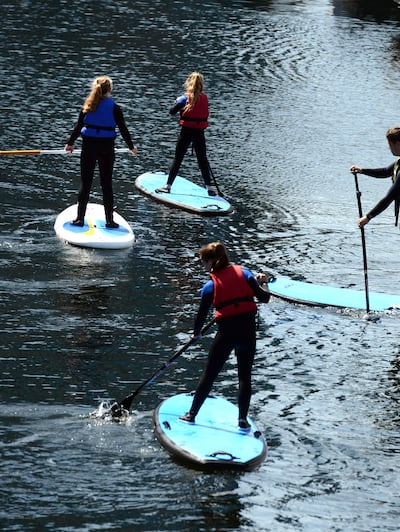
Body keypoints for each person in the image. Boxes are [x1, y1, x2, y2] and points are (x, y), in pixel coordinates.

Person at [179, 241, 270, 430]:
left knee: (210, 375)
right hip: (247, 332)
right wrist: (264, 282)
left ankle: (191, 414)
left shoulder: (209, 287)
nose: (203, 266)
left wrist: (196, 334)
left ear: (212, 262)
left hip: (226, 334)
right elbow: (265, 298)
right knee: (244, 377)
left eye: (204, 262)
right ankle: (242, 420)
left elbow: (201, 317)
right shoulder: (245, 274)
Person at [350, 126, 400, 311]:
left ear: (396, 143)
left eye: (389, 144)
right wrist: (362, 170)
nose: (388, 148)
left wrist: (368, 217)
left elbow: (389, 197)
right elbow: (385, 171)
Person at [65, 76, 138, 228]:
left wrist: (70, 143)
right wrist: (131, 146)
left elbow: (78, 127)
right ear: (110, 90)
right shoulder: (115, 107)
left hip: (89, 146)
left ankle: (79, 219)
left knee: (86, 183)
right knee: (106, 184)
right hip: (106, 147)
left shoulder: (88, 106)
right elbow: (123, 128)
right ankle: (109, 221)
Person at [155, 72, 218, 196]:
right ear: (201, 84)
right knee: (202, 160)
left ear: (189, 83)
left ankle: (167, 186)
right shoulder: (204, 98)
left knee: (178, 159)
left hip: (186, 132)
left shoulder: (184, 98)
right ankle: (210, 188)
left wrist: (177, 102)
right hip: (199, 133)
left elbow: (172, 111)